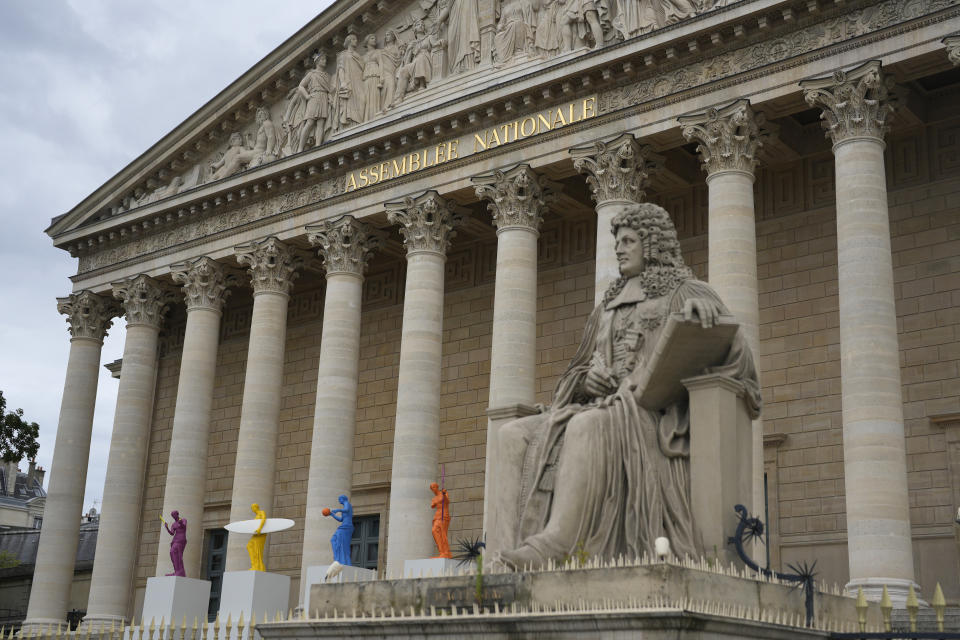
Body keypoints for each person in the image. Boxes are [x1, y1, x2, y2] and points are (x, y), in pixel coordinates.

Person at [491, 202, 760, 570]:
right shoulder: (606, 307)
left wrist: (711, 324)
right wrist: (585, 380)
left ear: (652, 244)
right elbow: (576, 370)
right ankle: (501, 555)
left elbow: (741, 358)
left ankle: (557, 545)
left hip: (651, 416)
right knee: (512, 434)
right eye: (618, 241)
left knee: (586, 427)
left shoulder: (687, 293)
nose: (619, 248)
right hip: (596, 406)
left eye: (629, 240)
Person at [284, 51, 333, 154]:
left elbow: (329, 89)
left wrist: (330, 97)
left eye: (325, 59)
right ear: (317, 62)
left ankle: (318, 145)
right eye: (323, 59)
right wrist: (307, 96)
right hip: (314, 97)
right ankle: (300, 148)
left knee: (321, 122)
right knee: (310, 122)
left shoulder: (327, 75)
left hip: (323, 96)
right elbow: (301, 86)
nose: (325, 61)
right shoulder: (311, 74)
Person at [439, 0, 481, 73]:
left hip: (467, 4)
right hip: (454, 10)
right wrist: (439, 20)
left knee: (466, 32)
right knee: (453, 38)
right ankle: (456, 66)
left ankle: (469, 64)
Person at [334, 34, 366, 130]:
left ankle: (360, 123)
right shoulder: (343, 55)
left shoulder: (358, 55)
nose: (356, 41)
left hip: (359, 81)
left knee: (362, 99)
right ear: (349, 41)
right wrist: (343, 82)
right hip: (349, 81)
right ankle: (351, 126)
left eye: (356, 39)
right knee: (351, 101)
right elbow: (341, 69)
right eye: (354, 39)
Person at [326, 494, 354, 566]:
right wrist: (332, 515)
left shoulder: (347, 503)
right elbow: (341, 519)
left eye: (339, 499)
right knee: (333, 540)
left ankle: (344, 562)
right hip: (343, 526)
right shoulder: (344, 508)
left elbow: (347, 509)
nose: (339, 501)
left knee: (344, 545)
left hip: (347, 527)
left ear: (343, 499)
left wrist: (337, 510)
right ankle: (338, 559)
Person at [161, 510, 187, 577]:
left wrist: (180, 523)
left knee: (179, 555)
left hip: (181, 539)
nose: (173, 517)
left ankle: (180, 572)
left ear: (177, 514)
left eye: (174, 515)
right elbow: (172, 533)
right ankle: (176, 571)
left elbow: (184, 527)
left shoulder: (183, 520)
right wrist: (167, 528)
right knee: (172, 553)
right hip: (175, 539)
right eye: (172, 516)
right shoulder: (173, 524)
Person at [430, 482, 452, 559]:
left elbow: (447, 501)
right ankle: (441, 551)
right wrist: (439, 499)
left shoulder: (444, 493)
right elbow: (432, 505)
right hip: (437, 515)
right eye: (432, 488)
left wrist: (444, 495)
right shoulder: (434, 498)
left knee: (443, 533)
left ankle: (446, 552)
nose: (433, 489)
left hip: (444, 515)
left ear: (437, 487)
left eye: (434, 487)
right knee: (434, 531)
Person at [247, 503, 267, 572]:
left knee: (257, 549)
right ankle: (254, 565)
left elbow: (264, 519)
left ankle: (259, 566)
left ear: (255, 507)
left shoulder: (262, 512)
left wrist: (260, 529)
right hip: (256, 534)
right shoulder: (256, 516)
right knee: (249, 546)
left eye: (252, 508)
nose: (252, 510)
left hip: (261, 533)